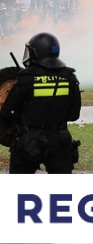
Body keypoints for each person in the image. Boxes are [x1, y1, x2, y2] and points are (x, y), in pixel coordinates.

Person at [0, 33, 81, 173]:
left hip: (28, 141)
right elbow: (73, 115)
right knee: (63, 190)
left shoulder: (25, 79)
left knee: (19, 188)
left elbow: (7, 112)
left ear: (35, 52)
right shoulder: (69, 77)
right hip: (59, 140)